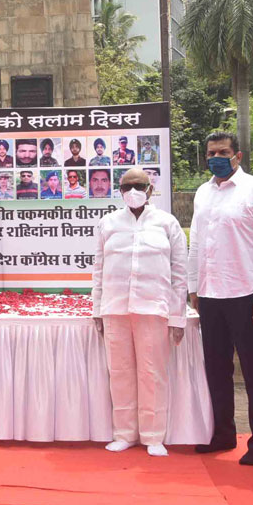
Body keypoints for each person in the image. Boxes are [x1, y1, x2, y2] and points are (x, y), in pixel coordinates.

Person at [188, 131, 253, 465]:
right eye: (211, 153)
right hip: (210, 294)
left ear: (238, 156)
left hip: (248, 295)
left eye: (223, 152)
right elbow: (196, 242)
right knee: (216, 370)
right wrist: (193, 287)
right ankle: (223, 433)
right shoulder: (203, 192)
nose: (217, 157)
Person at [92, 169, 188, 456]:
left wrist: (177, 317)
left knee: (152, 373)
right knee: (120, 373)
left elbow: (179, 274)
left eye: (139, 185)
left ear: (150, 189)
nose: (133, 191)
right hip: (115, 309)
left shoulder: (167, 223)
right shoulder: (108, 223)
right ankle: (124, 433)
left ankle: (153, 436)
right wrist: (97, 309)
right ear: (120, 190)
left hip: (153, 309)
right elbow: (98, 269)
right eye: (127, 186)